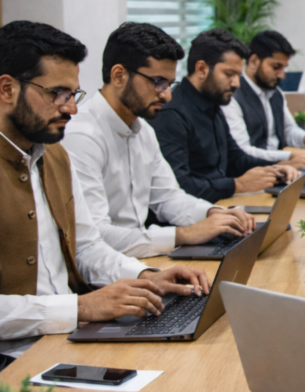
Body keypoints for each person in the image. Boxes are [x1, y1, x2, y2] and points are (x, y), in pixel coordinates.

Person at [0, 20, 209, 340]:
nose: (71, 108)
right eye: (57, 93)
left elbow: (86, 246)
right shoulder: (77, 139)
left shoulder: (54, 156)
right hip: (15, 354)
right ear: (7, 89)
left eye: (73, 93)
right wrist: (79, 307)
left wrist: (146, 275)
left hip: (64, 333)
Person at [63, 22, 256, 259]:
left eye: (169, 84)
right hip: (105, 269)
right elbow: (95, 237)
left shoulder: (143, 129)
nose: (167, 95)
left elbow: (167, 197)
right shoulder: (81, 136)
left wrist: (214, 213)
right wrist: (183, 235)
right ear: (119, 75)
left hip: (140, 258)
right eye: (158, 82)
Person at [153, 29, 299, 204]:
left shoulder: (213, 102)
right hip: (195, 215)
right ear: (201, 69)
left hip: (220, 206)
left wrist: (275, 169)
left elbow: (235, 158)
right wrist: (238, 185)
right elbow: (179, 187)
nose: (237, 83)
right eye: (229, 74)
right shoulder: (171, 115)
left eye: (238, 75)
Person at [222, 30, 305, 169]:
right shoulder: (232, 98)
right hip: (254, 172)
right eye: (276, 67)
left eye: (284, 68)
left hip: (281, 167)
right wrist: (290, 156)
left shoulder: (276, 93)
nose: (282, 75)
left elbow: (288, 129)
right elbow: (243, 151)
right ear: (253, 61)